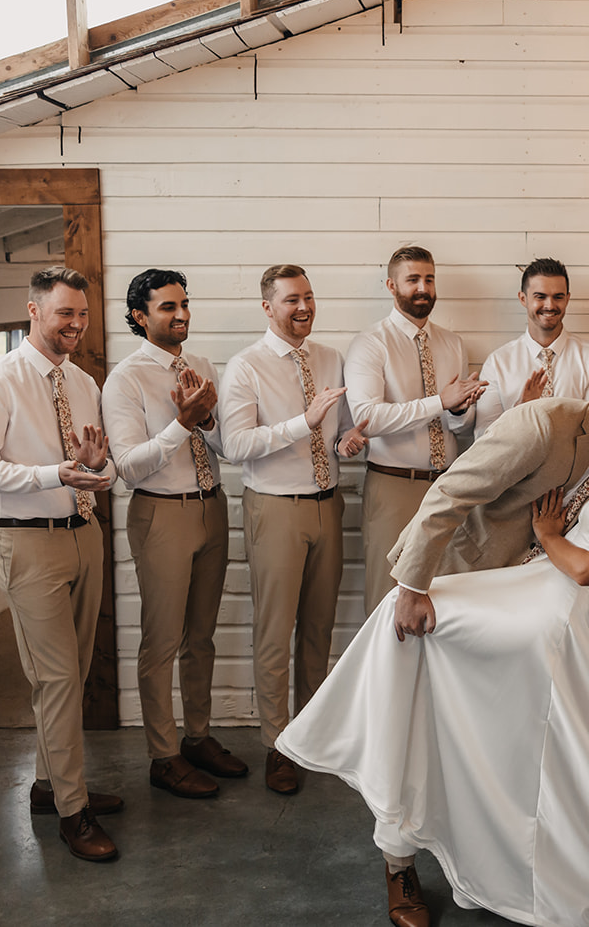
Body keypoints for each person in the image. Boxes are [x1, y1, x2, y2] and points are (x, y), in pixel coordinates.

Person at [277, 405, 589, 927]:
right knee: (404, 615)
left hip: (557, 614)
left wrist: (548, 534)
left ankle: (368, 765)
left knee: (415, 627)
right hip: (534, 589)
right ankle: (391, 801)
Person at [367, 352, 589, 925]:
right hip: (460, 588)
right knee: (417, 723)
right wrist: (413, 587)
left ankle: (493, 856)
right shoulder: (543, 424)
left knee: (492, 740)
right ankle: (398, 865)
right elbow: (449, 493)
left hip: (528, 614)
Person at [0, 265, 123, 861]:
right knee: (54, 679)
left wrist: (92, 470)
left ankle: (50, 785)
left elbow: (92, 463)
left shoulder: (83, 383)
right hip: (25, 542)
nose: (76, 324)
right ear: (33, 310)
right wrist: (54, 472)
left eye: (81, 314)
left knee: (71, 676)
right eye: (64, 314)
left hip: (83, 533)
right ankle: (73, 814)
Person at [218, 264, 368, 796]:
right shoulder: (245, 367)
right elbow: (236, 447)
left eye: (308, 297)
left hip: (329, 504)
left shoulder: (329, 358)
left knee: (318, 630)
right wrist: (302, 423)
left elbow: (343, 426)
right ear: (267, 307)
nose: (303, 308)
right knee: (274, 631)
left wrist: (348, 439)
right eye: (290, 300)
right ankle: (276, 745)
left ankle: (311, 734)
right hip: (275, 509)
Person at [102, 268, 247, 800]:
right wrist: (182, 422)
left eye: (184, 304)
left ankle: (198, 736)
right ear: (140, 317)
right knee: (162, 640)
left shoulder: (204, 366)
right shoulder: (127, 379)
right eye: (167, 307)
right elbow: (128, 467)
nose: (181, 314)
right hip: (160, 513)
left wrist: (207, 423)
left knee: (201, 637)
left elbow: (230, 447)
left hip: (212, 507)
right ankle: (162, 756)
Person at [345, 246, 487, 614]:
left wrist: (457, 409)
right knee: (386, 600)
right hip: (393, 486)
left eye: (429, 279)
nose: (423, 287)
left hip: (447, 486)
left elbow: (459, 426)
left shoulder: (452, 343)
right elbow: (368, 418)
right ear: (392, 286)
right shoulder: (370, 343)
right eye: (413, 280)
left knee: (445, 597)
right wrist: (440, 401)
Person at [474, 257, 589, 439]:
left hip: (576, 467)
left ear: (567, 299)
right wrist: (520, 411)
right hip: (516, 467)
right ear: (523, 299)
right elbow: (483, 440)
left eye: (558, 297)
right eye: (540, 297)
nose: (550, 305)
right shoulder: (497, 363)